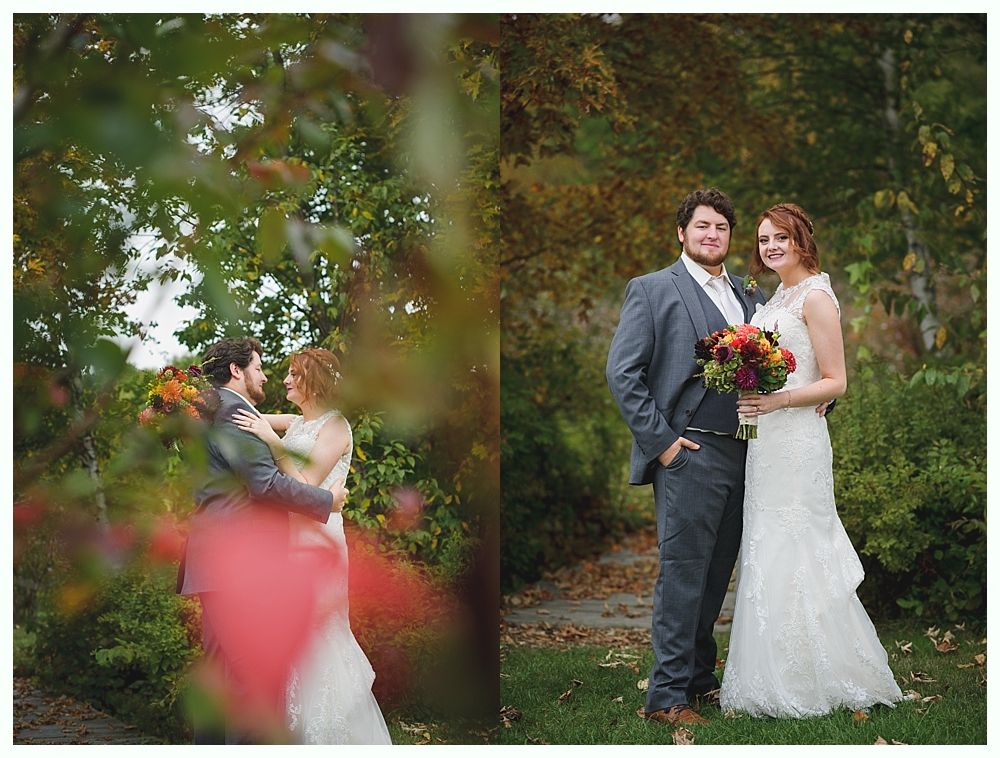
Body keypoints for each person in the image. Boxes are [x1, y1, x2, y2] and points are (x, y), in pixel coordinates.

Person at [719, 203, 904, 717]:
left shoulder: (816, 297)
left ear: (802, 240)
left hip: (797, 441)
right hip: (765, 444)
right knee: (767, 544)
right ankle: (769, 674)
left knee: (799, 544)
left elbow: (835, 381)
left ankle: (821, 675)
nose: (771, 247)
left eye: (781, 237)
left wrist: (777, 400)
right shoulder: (773, 298)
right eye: (763, 240)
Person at [606, 188, 768, 727]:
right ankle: (666, 697)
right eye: (702, 225)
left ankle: (699, 680)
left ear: (730, 236)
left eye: (721, 227)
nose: (711, 234)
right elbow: (622, 374)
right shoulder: (652, 289)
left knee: (716, 575)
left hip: (747, 454)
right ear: (682, 232)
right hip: (689, 453)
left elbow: (779, 360)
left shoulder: (749, 294)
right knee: (682, 575)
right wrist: (665, 445)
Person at [178, 337, 347, 744]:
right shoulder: (232, 412)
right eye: (258, 367)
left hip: (215, 558)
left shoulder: (212, 410)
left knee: (219, 678)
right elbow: (265, 484)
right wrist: (328, 501)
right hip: (239, 563)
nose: (268, 376)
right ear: (236, 370)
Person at [232, 347, 392, 744]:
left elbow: (306, 486)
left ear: (314, 382)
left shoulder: (335, 426)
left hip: (318, 543)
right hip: (289, 543)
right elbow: (244, 414)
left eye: (293, 374)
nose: (285, 380)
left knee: (318, 636)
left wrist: (273, 443)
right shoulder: (296, 422)